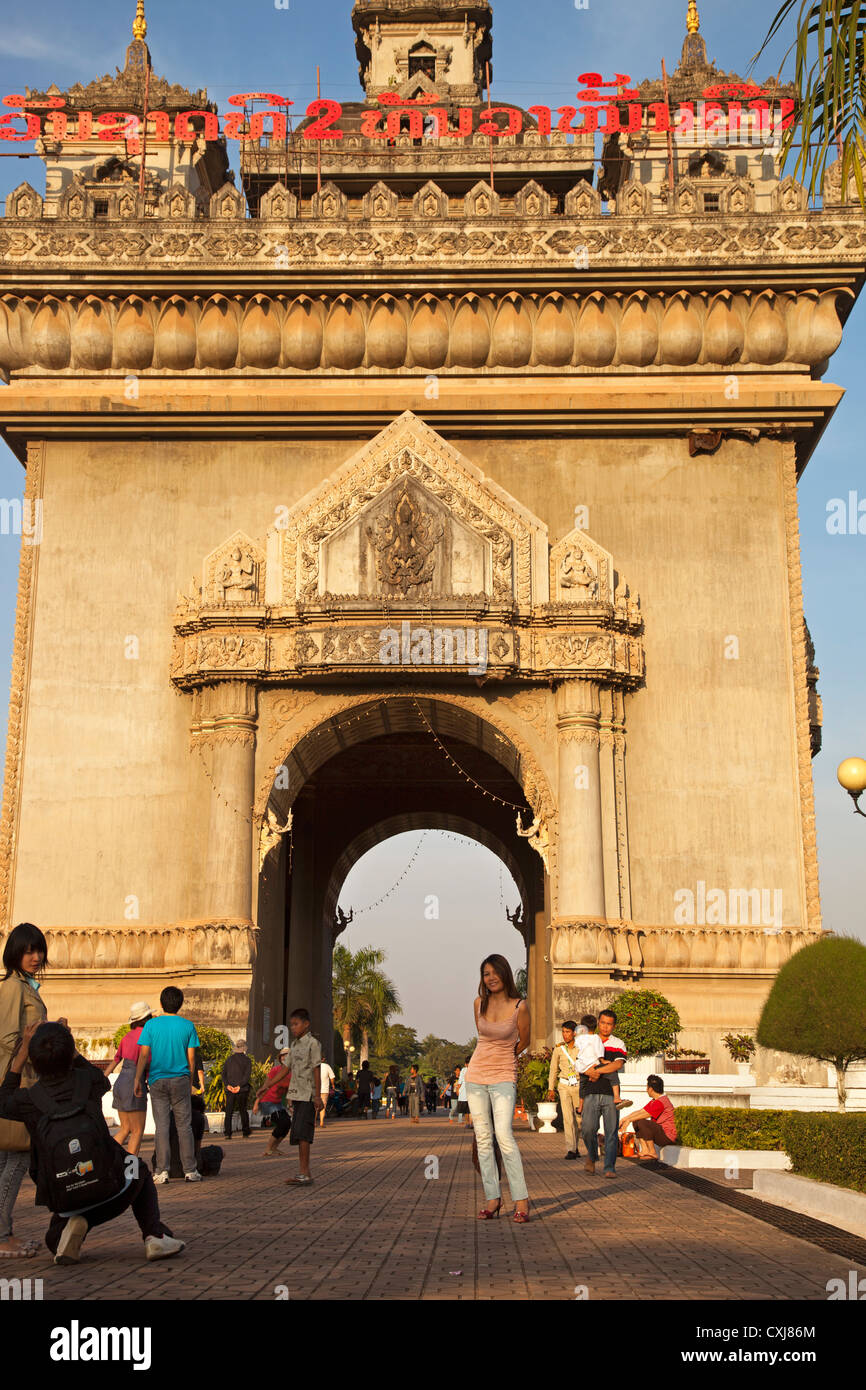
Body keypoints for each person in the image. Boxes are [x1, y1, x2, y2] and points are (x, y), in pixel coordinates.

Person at [0, 1021, 184, 1264]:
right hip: (112, 1187)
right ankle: (154, 1235)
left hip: (65, 1198)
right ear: (70, 1053)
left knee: (55, 1238)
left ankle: (73, 1227)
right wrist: (69, 1045)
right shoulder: (88, 1082)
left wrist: (23, 1050)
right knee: (137, 1167)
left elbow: (3, 1099)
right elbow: (102, 1079)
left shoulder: (28, 1100)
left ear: (34, 1061)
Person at [464, 954, 531, 1223]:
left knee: (504, 1136)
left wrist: (505, 1057)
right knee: (482, 1138)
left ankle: (522, 1201)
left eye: (494, 972)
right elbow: (483, 1040)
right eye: (485, 973)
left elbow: (523, 1040)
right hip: (476, 1075)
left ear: (504, 974)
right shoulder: (479, 1004)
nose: (490, 978)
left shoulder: (520, 1006)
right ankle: (493, 1199)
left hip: (504, 1075)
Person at [0, 923, 49, 1259]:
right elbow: (6, 1037)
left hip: (20, 1083)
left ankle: (5, 1232)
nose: (35, 957)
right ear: (15, 953)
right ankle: (2, 1236)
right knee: (17, 1158)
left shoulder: (28, 987)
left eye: (38, 950)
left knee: (7, 1159)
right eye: (28, 951)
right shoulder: (13, 987)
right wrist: (36, 1045)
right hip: (15, 1085)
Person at [133, 987, 202, 1184]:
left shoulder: (151, 1026)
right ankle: (190, 1170)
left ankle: (162, 1171)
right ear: (180, 1004)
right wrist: (189, 1082)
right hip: (180, 1078)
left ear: (162, 1003)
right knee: (184, 1126)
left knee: (161, 1126)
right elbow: (191, 1059)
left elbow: (144, 1055)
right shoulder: (188, 1026)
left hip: (157, 1079)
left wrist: (137, 1080)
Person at [254, 1008, 322, 1185]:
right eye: (291, 1024)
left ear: (306, 1024)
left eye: (296, 1024)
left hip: (307, 1094)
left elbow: (316, 1069)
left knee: (304, 1134)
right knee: (298, 1134)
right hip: (297, 1095)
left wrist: (317, 1096)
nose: (293, 1027)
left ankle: (305, 1173)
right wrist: (266, 1086)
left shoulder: (313, 1044)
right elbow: (285, 1069)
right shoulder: (294, 1045)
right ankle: (302, 1172)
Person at [580, 1008, 629, 1179]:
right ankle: (592, 1155)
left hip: (610, 1093)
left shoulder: (618, 1044)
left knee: (611, 1132)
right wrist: (588, 1072)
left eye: (609, 1024)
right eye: (602, 1023)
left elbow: (617, 1065)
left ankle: (609, 1167)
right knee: (587, 1128)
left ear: (614, 1026)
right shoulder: (588, 1041)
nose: (605, 1027)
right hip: (591, 1092)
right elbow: (579, 1063)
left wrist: (597, 1071)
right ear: (598, 1022)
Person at [106, 1002, 151, 1157]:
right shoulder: (146, 1036)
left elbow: (116, 1060)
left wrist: (102, 1078)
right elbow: (147, 1061)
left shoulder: (127, 1036)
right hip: (134, 1082)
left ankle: (107, 1157)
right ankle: (131, 1171)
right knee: (138, 1131)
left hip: (120, 1081)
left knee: (125, 1129)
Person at [546, 1019, 594, 1161]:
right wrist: (551, 1088)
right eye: (563, 1032)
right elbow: (553, 1069)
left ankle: (586, 1146)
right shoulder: (559, 1049)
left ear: (574, 1033)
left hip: (579, 1085)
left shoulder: (581, 1048)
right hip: (564, 1085)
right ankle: (571, 1149)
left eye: (568, 1032)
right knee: (568, 1119)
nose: (565, 1035)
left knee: (580, 1119)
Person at [621, 1076, 677, 1160]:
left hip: (667, 1137)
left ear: (650, 1088)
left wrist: (628, 1120)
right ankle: (645, 1150)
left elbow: (646, 1114)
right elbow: (640, 1112)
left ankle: (652, 1152)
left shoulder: (661, 1102)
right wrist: (624, 1119)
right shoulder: (654, 1101)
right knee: (637, 1121)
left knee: (643, 1122)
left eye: (647, 1087)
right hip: (660, 1133)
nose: (646, 1090)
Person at [254, 1048, 290, 1149]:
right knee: (283, 1123)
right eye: (282, 1055)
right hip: (268, 1101)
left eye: (287, 1055)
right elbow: (265, 1086)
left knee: (287, 1124)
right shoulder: (276, 1070)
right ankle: (268, 1149)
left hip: (277, 1102)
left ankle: (274, 1148)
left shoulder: (291, 1072)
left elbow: (288, 1091)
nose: (284, 1057)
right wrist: (257, 1103)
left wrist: (290, 1105)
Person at [222, 1038, 252, 1140]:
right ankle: (245, 1132)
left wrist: (228, 1085)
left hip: (230, 1089)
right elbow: (246, 1076)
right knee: (243, 1110)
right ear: (244, 1049)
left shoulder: (229, 1060)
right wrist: (240, 1086)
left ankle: (228, 1133)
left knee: (229, 1111)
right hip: (242, 1089)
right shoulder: (247, 1061)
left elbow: (224, 1074)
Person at [319, 1055, 336, 1126]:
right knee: (323, 1105)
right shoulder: (327, 1066)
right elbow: (332, 1077)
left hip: (315, 1089)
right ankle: (321, 1122)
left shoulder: (313, 1066)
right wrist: (333, 1085)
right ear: (323, 1059)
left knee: (314, 1106)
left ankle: (313, 1122)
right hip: (324, 1090)